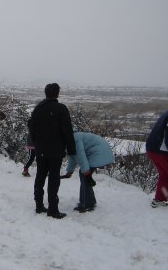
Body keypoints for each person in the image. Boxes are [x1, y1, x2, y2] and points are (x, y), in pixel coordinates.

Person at [28, 83, 76, 219]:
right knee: (54, 179)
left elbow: (32, 128)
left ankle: (39, 205)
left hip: (41, 149)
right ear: (57, 93)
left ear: (46, 93)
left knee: (40, 176)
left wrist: (37, 142)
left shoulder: (38, 109)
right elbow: (67, 131)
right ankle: (53, 209)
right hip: (55, 150)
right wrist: (71, 149)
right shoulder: (61, 109)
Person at [61, 131, 115, 213]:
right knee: (84, 175)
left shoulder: (74, 139)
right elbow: (72, 156)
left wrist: (87, 173)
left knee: (84, 175)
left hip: (99, 152)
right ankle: (88, 202)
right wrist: (69, 172)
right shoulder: (69, 140)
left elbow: (81, 156)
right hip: (97, 151)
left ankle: (88, 204)